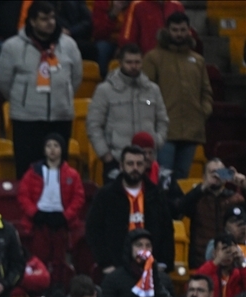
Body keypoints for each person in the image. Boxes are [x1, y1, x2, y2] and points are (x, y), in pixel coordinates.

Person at [0, 1, 83, 177]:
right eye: (44, 19)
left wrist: (63, 96)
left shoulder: (69, 45)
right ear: (32, 21)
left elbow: (76, 77)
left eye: (52, 18)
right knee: (27, 172)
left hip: (60, 117)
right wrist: (22, 100)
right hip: (26, 119)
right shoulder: (12, 46)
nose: (50, 23)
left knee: (58, 173)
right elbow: (3, 81)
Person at [141, 12, 212, 180]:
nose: (179, 34)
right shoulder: (153, 58)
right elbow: (145, 93)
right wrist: (153, 117)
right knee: (163, 178)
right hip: (164, 132)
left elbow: (206, 92)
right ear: (167, 30)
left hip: (191, 131)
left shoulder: (198, 61)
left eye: (182, 30)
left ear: (189, 31)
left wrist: (202, 112)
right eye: (175, 30)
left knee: (182, 180)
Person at [86, 145, 174, 273]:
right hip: (116, 266)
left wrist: (164, 263)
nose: (135, 168)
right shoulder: (105, 195)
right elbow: (93, 230)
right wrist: (105, 263)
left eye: (139, 164)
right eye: (130, 163)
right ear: (121, 166)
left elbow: (167, 230)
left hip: (150, 267)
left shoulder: (156, 195)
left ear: (145, 166)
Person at [87, 43, 168, 179]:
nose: (133, 66)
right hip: (116, 160)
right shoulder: (105, 90)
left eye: (137, 62)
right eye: (129, 62)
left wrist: (156, 142)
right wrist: (106, 155)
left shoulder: (152, 90)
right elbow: (93, 124)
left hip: (147, 163)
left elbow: (162, 120)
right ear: (120, 62)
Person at [17, 133, 85, 291]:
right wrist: (35, 213)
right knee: (40, 255)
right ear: (44, 149)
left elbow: (78, 198)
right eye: (49, 146)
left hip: (60, 222)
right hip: (40, 221)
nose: (52, 149)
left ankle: (58, 286)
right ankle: (41, 285)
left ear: (62, 149)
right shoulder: (33, 172)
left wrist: (65, 216)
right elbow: (23, 195)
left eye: (56, 146)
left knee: (59, 258)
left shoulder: (72, 174)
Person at [100, 229, 176, 297]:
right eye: (139, 245)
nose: (144, 249)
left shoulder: (162, 278)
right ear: (130, 248)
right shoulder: (114, 278)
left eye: (148, 246)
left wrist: (155, 280)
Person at [180, 159, 246, 270]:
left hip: (229, 261)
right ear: (204, 176)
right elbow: (178, 210)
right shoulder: (197, 198)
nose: (216, 175)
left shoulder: (235, 199)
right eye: (212, 172)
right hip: (200, 261)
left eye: (220, 172)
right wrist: (203, 186)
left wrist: (244, 184)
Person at [120, 0, 186, 55]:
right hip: (146, 59)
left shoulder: (176, 5)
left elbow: (185, 32)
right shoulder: (138, 5)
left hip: (174, 57)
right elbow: (127, 38)